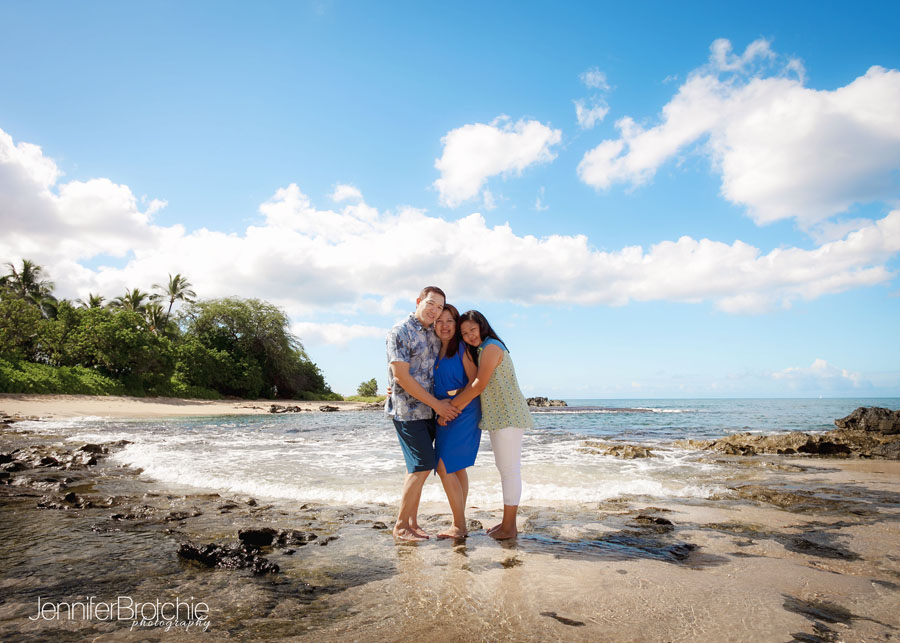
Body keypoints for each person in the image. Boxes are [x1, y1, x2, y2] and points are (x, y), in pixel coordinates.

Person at [447, 310, 534, 540]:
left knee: (510, 471)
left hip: (508, 415)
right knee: (505, 469)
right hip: (501, 416)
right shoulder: (484, 349)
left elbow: (478, 385)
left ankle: (509, 527)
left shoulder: (492, 347)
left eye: (472, 330)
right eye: (464, 333)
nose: (469, 336)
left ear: (482, 326)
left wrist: (450, 409)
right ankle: (507, 524)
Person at [385, 286, 460, 541]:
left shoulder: (433, 333)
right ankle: (400, 526)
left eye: (439, 307)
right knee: (422, 465)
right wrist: (438, 405)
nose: (434, 310)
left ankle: (412, 523)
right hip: (408, 412)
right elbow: (401, 376)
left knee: (416, 469)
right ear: (418, 301)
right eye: (431, 304)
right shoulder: (400, 331)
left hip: (430, 412)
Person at [432, 304, 482, 539]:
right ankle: (459, 522)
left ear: (456, 324)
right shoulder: (434, 350)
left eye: (450, 321)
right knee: (456, 466)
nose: (444, 326)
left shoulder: (461, 347)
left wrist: (450, 410)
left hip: (464, 410)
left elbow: (474, 382)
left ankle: (459, 526)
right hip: (444, 411)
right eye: (439, 321)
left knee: (443, 465)